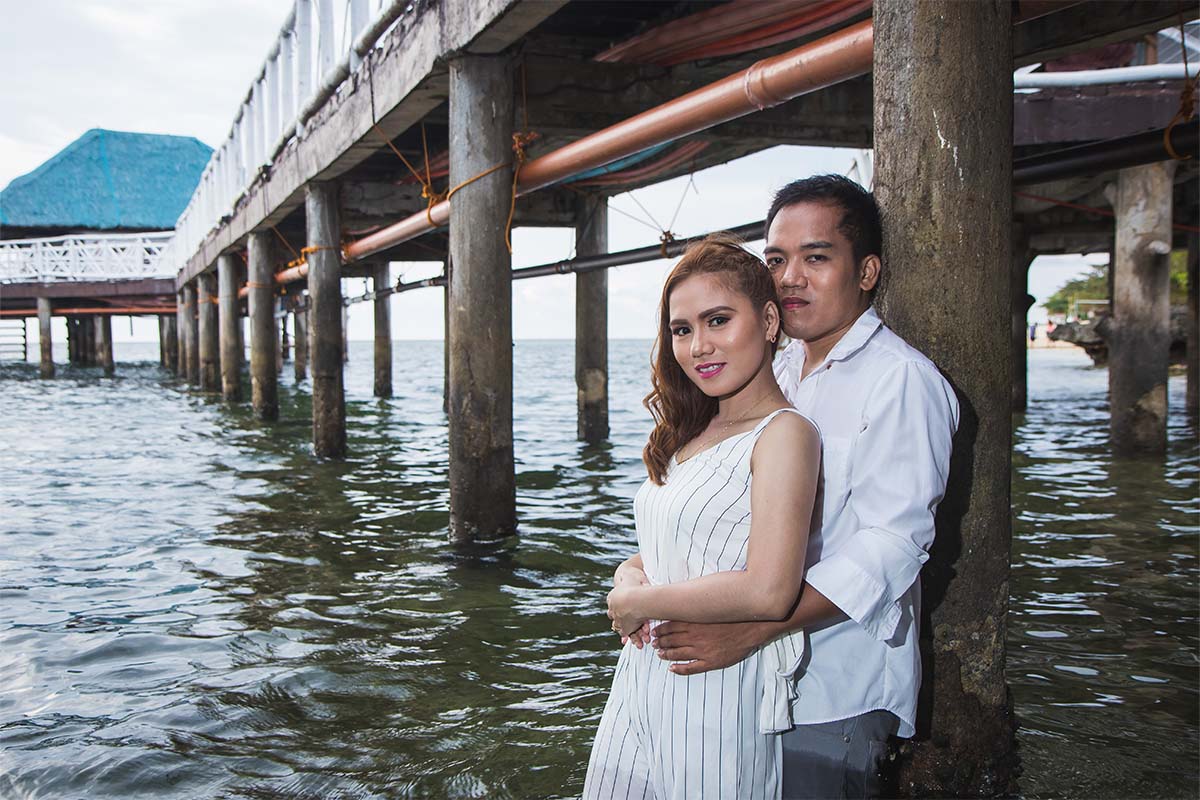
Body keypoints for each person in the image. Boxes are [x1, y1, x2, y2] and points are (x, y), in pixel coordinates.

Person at [617, 175, 960, 799]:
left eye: (816, 258)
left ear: (866, 272)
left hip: (836, 681)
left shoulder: (901, 380)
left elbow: (892, 545)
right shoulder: (766, 366)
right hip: (739, 680)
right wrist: (637, 572)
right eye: (776, 260)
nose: (790, 277)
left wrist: (759, 625)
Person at [583, 235, 821, 799]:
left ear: (769, 322)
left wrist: (641, 603)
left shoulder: (785, 434)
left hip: (717, 686)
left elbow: (770, 591)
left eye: (718, 320)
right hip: (640, 678)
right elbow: (678, 546)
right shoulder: (692, 431)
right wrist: (628, 574)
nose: (698, 346)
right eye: (682, 329)